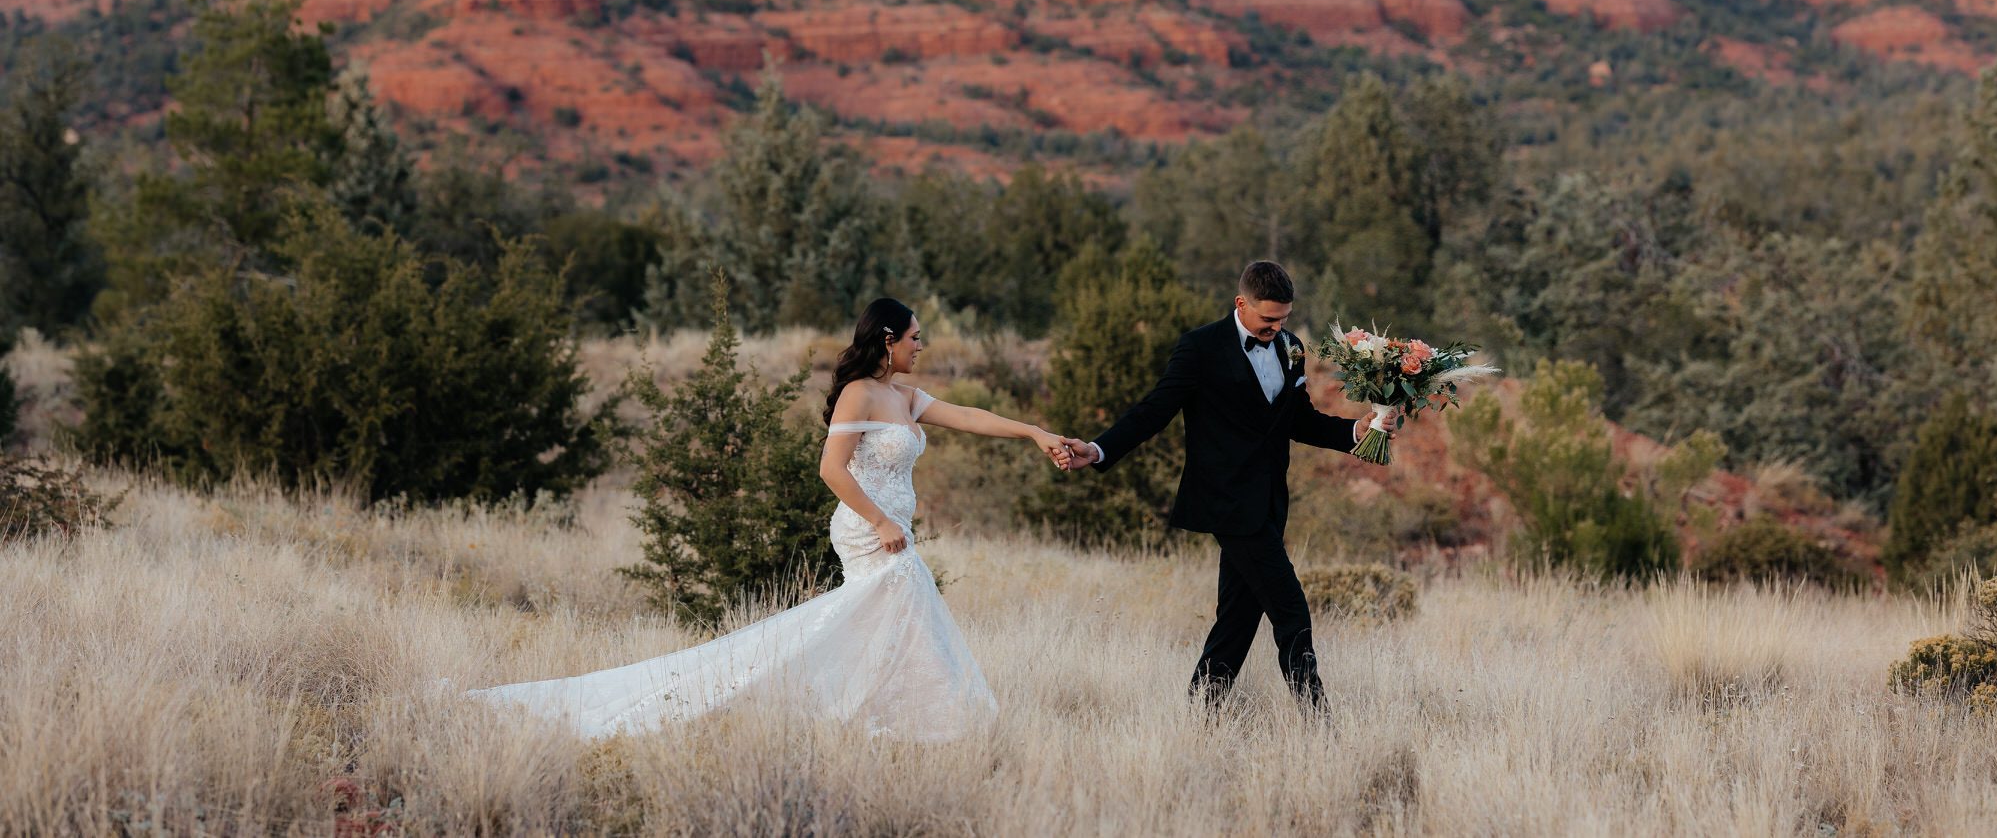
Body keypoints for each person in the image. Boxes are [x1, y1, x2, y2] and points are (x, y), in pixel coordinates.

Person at [466, 297, 1074, 740]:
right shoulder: (861, 392)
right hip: (869, 531)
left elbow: (969, 415)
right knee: (899, 614)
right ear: (888, 340)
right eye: (916, 337)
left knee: (890, 624)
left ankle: (895, 723)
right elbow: (832, 470)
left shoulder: (905, 397)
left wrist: (1032, 432)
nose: (923, 345)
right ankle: (906, 721)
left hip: (894, 531)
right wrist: (882, 522)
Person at [1059, 260, 1381, 713]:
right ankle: (1319, 723)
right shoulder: (1199, 348)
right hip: (1225, 500)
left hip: (1269, 502)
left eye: (1283, 319)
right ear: (1240, 303)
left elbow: (1299, 421)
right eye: (1268, 320)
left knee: (1237, 618)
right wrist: (1098, 450)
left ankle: (1202, 715)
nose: (1276, 328)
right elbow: (1153, 411)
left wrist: (1356, 432)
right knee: (1291, 611)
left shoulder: (1291, 347)